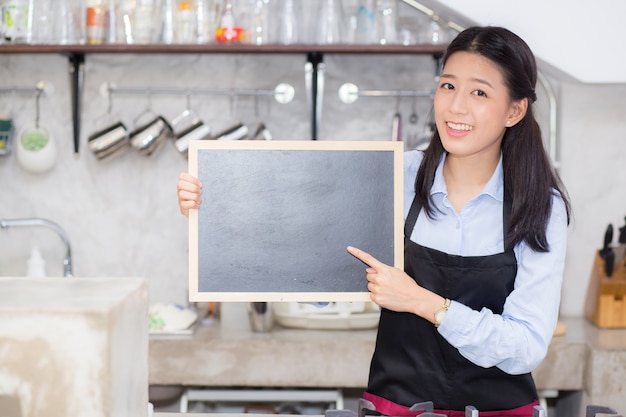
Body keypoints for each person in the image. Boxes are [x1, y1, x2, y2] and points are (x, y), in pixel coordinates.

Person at [177, 26, 571, 417]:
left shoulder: (540, 207)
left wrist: (423, 302)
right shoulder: (395, 176)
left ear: (514, 110)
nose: (456, 107)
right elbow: (321, 281)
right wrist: (217, 209)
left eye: (479, 92)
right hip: (395, 408)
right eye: (448, 86)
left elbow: (526, 347)